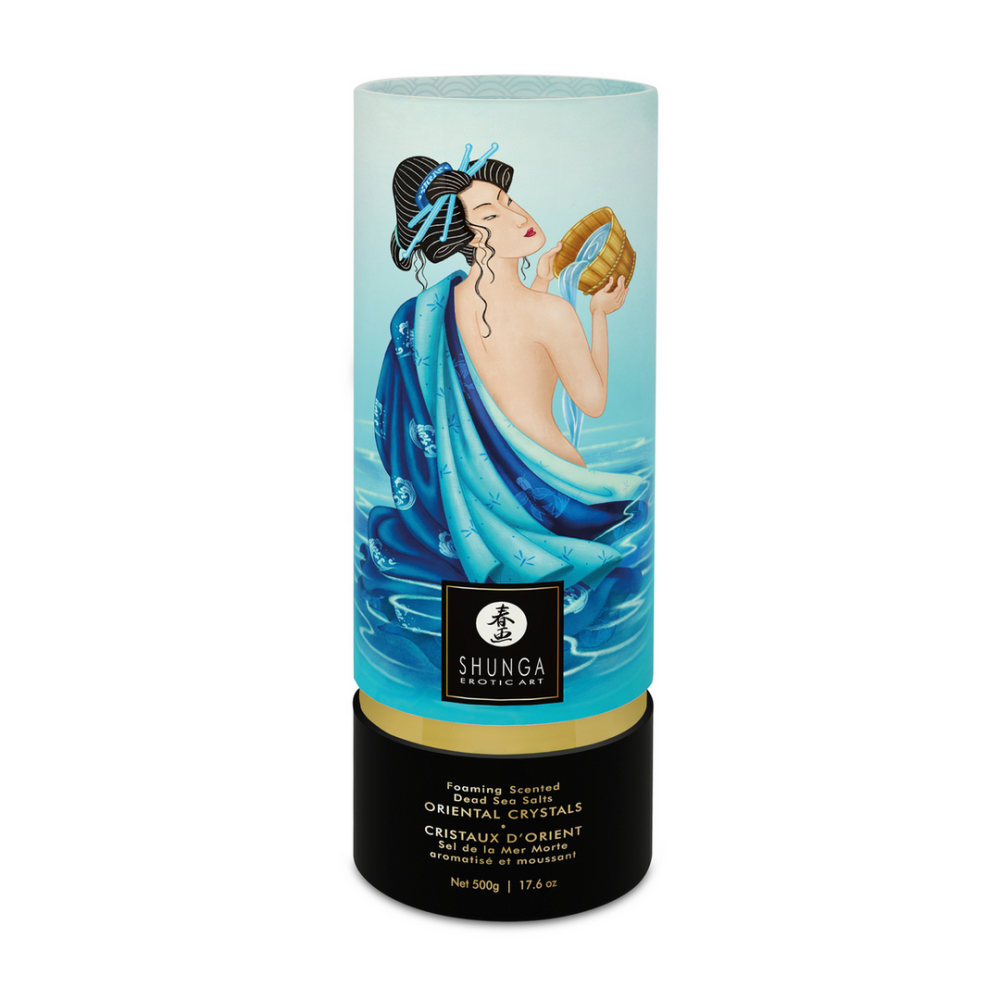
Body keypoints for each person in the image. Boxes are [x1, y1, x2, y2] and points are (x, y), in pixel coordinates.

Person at [357, 145, 647, 674]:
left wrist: (542, 282)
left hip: (465, 513)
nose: (518, 216)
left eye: (510, 201)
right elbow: (593, 401)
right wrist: (599, 315)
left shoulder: (433, 309)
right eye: (492, 215)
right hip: (558, 498)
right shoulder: (552, 313)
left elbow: (500, 357)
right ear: (469, 237)